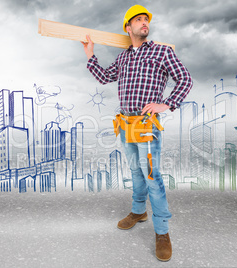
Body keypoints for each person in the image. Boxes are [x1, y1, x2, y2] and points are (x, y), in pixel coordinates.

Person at [81, 4, 193, 262]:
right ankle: (138, 211)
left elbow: (185, 79)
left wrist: (168, 103)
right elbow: (105, 76)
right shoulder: (123, 57)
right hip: (126, 125)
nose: (145, 23)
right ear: (127, 27)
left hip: (146, 125)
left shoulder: (162, 52)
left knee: (152, 177)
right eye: (139, 20)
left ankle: (162, 232)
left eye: (146, 20)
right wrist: (90, 55)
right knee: (135, 172)